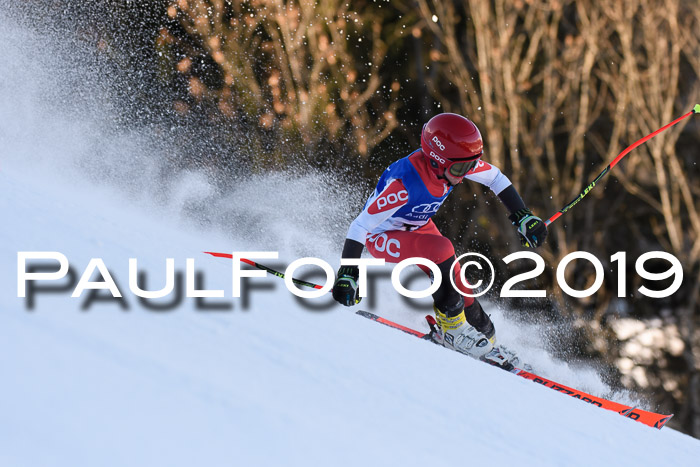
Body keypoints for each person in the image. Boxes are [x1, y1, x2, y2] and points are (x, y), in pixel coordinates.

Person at [331, 113, 547, 367]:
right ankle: (451, 330)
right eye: (459, 169)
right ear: (436, 161)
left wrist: (522, 216)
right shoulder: (404, 185)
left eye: (469, 167)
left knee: (469, 301)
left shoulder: (455, 163)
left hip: (420, 227)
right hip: (381, 236)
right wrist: (347, 274)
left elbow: (496, 178)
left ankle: (484, 338)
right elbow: (360, 226)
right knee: (442, 248)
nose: (464, 175)